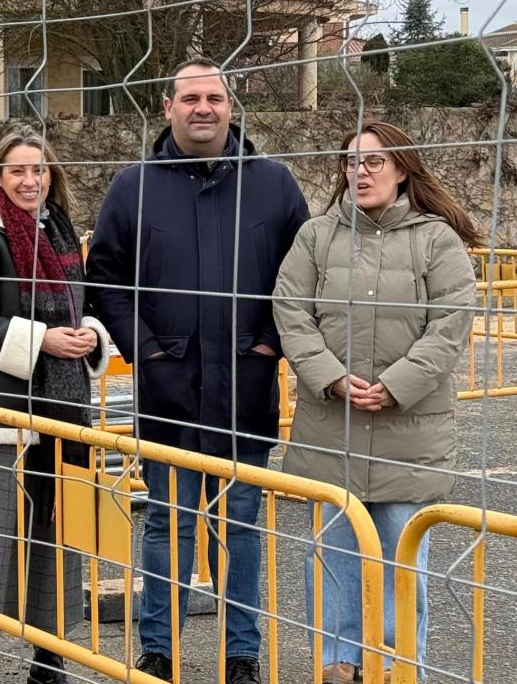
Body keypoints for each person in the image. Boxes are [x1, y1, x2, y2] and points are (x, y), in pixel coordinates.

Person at [86, 58, 309, 684]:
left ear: (231, 106)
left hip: (245, 386)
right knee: (166, 522)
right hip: (168, 389)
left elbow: (301, 279)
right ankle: (159, 649)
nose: (203, 108)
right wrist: (146, 352)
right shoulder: (134, 186)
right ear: (167, 107)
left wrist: (268, 346)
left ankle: (243, 655)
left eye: (214, 96)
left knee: (241, 526)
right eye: (190, 98)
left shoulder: (274, 184)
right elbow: (105, 277)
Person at [273, 121, 478, 683]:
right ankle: (339, 665)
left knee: (401, 555)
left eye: (372, 162)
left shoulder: (437, 240)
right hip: (331, 426)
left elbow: (450, 326)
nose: (358, 173)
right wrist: (333, 377)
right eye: (350, 163)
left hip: (407, 432)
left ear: (402, 168)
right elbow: (291, 312)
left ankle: (394, 666)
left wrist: (397, 384)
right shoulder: (316, 236)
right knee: (336, 560)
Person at [0, 129, 113, 684]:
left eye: (38, 170)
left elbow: (76, 309)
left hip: (61, 410)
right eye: (17, 171)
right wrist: (42, 339)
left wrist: (87, 336)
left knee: (56, 536)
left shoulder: (61, 234)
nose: (30, 181)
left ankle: (48, 659)